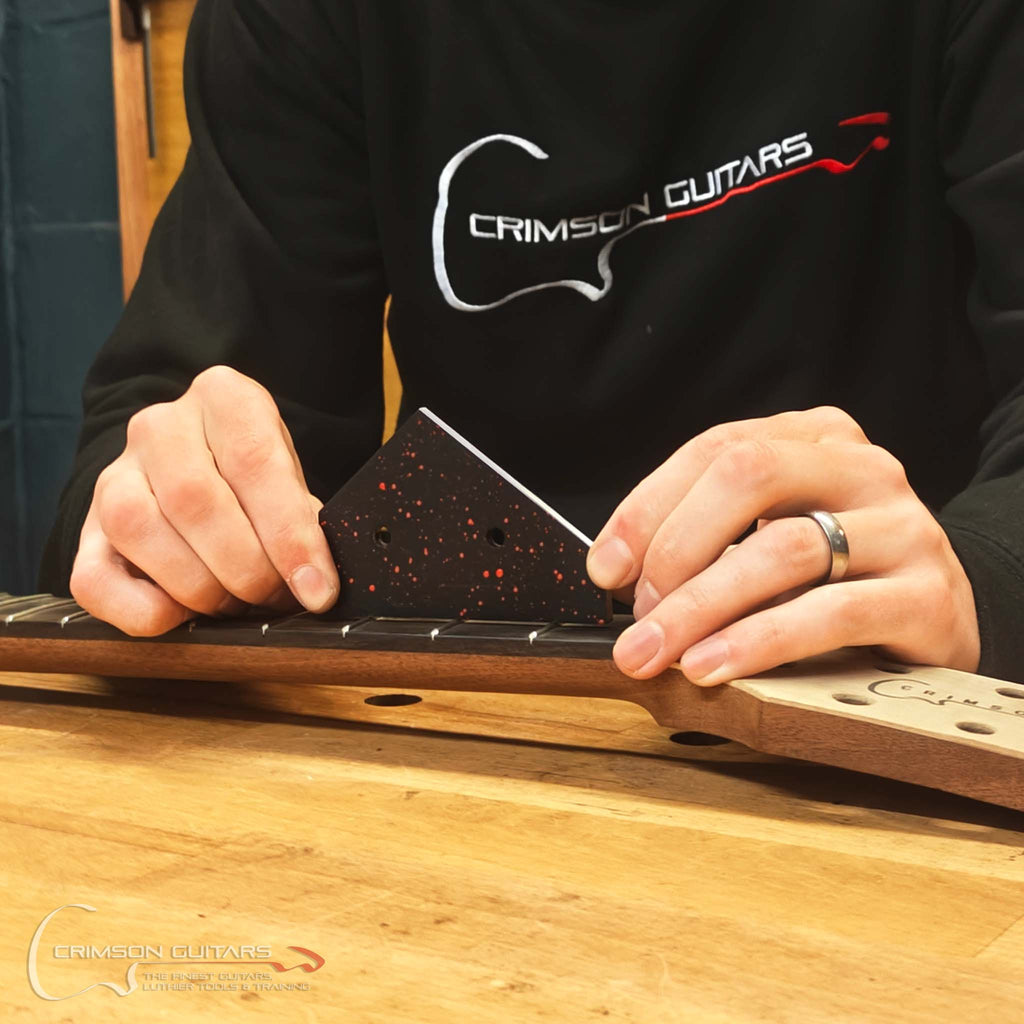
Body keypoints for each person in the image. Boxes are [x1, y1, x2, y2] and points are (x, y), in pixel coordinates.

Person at [40, 0, 1024, 684]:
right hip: (467, 706)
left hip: (878, 695)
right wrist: (163, 514)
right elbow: (164, 424)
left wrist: (980, 578)